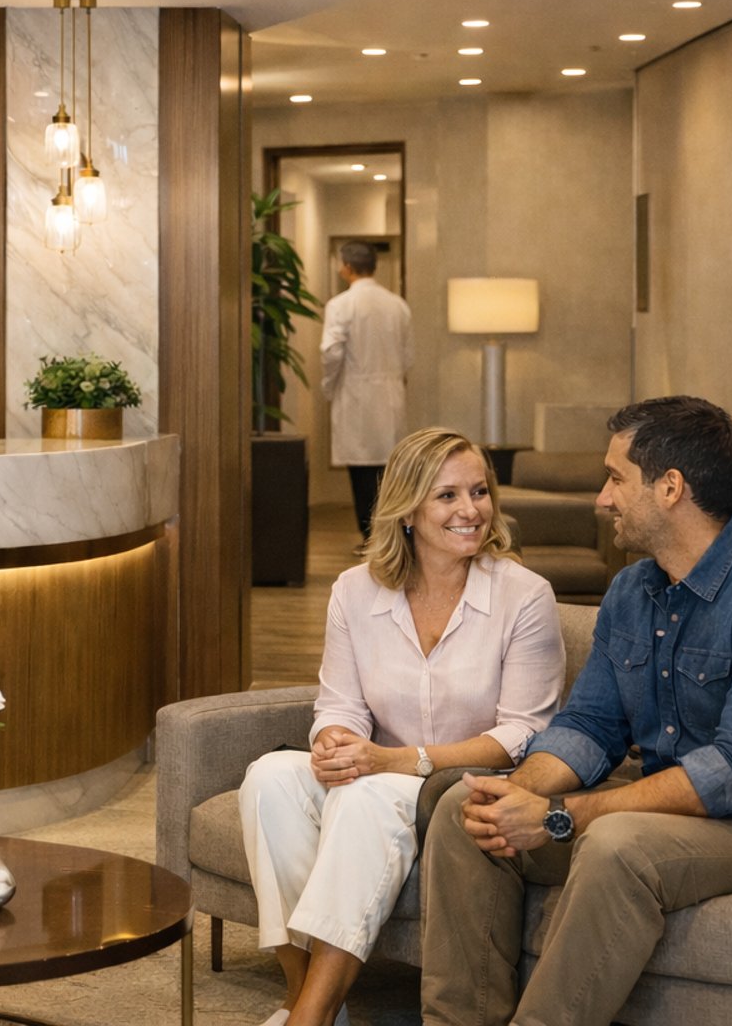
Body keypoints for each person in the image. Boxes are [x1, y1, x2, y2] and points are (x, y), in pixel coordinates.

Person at [419, 396, 732, 1026]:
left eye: (615, 479)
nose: (601, 499)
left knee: (617, 844)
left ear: (670, 488)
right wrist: (517, 796)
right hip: (678, 809)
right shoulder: (633, 590)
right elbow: (588, 728)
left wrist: (557, 815)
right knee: (462, 813)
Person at [238, 427, 564, 1026]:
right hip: (376, 770)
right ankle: (302, 991)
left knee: (365, 795)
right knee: (269, 780)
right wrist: (331, 740)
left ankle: (308, 1017)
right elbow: (338, 705)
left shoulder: (525, 596)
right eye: (447, 496)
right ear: (407, 509)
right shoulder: (354, 590)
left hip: (459, 785)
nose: (471, 510)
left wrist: (395, 760)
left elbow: (523, 734)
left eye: (479, 492)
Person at [318, 241, 411, 539]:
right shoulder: (397, 304)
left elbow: (331, 352)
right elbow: (409, 356)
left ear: (345, 267)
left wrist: (329, 386)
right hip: (391, 398)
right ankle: (391, 537)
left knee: (361, 474)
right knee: (390, 474)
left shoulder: (341, 304)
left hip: (356, 397)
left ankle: (370, 537)